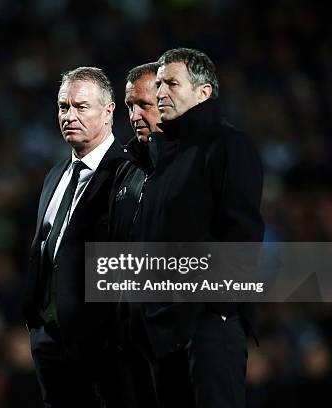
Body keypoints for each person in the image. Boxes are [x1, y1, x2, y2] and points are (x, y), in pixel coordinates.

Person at [129, 48, 264, 408]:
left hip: (207, 323)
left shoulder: (228, 143)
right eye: (158, 85)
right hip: (164, 330)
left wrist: (216, 309)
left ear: (204, 92)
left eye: (172, 83)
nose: (160, 93)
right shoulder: (163, 158)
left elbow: (242, 233)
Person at [22, 67, 134, 407]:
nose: (69, 116)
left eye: (81, 106)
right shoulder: (56, 174)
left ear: (109, 111)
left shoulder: (129, 172)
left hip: (103, 348)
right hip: (49, 341)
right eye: (63, 106)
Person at [110, 62, 163, 408]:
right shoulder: (123, 169)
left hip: (175, 333)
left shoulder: (194, 166)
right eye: (130, 106)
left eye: (144, 104)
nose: (135, 115)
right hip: (128, 335)